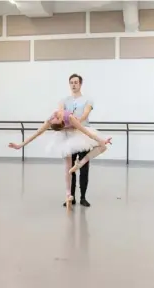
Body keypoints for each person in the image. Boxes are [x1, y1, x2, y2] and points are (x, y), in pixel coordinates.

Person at [8, 110, 111, 209]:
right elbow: (38, 132)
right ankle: (68, 194)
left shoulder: (69, 118)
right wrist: (20, 145)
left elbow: (86, 132)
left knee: (103, 147)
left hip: (76, 134)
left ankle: (80, 163)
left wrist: (102, 140)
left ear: (62, 121)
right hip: (64, 139)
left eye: (56, 118)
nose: (55, 115)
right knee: (68, 166)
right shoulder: (51, 120)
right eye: (55, 118)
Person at [59, 74, 94, 207]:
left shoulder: (87, 100)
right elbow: (61, 112)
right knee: (70, 167)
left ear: (80, 84)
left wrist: (76, 122)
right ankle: (70, 196)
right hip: (69, 136)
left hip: (83, 135)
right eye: (71, 82)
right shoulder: (64, 100)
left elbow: (85, 114)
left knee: (84, 167)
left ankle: (83, 197)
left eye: (76, 82)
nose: (73, 85)